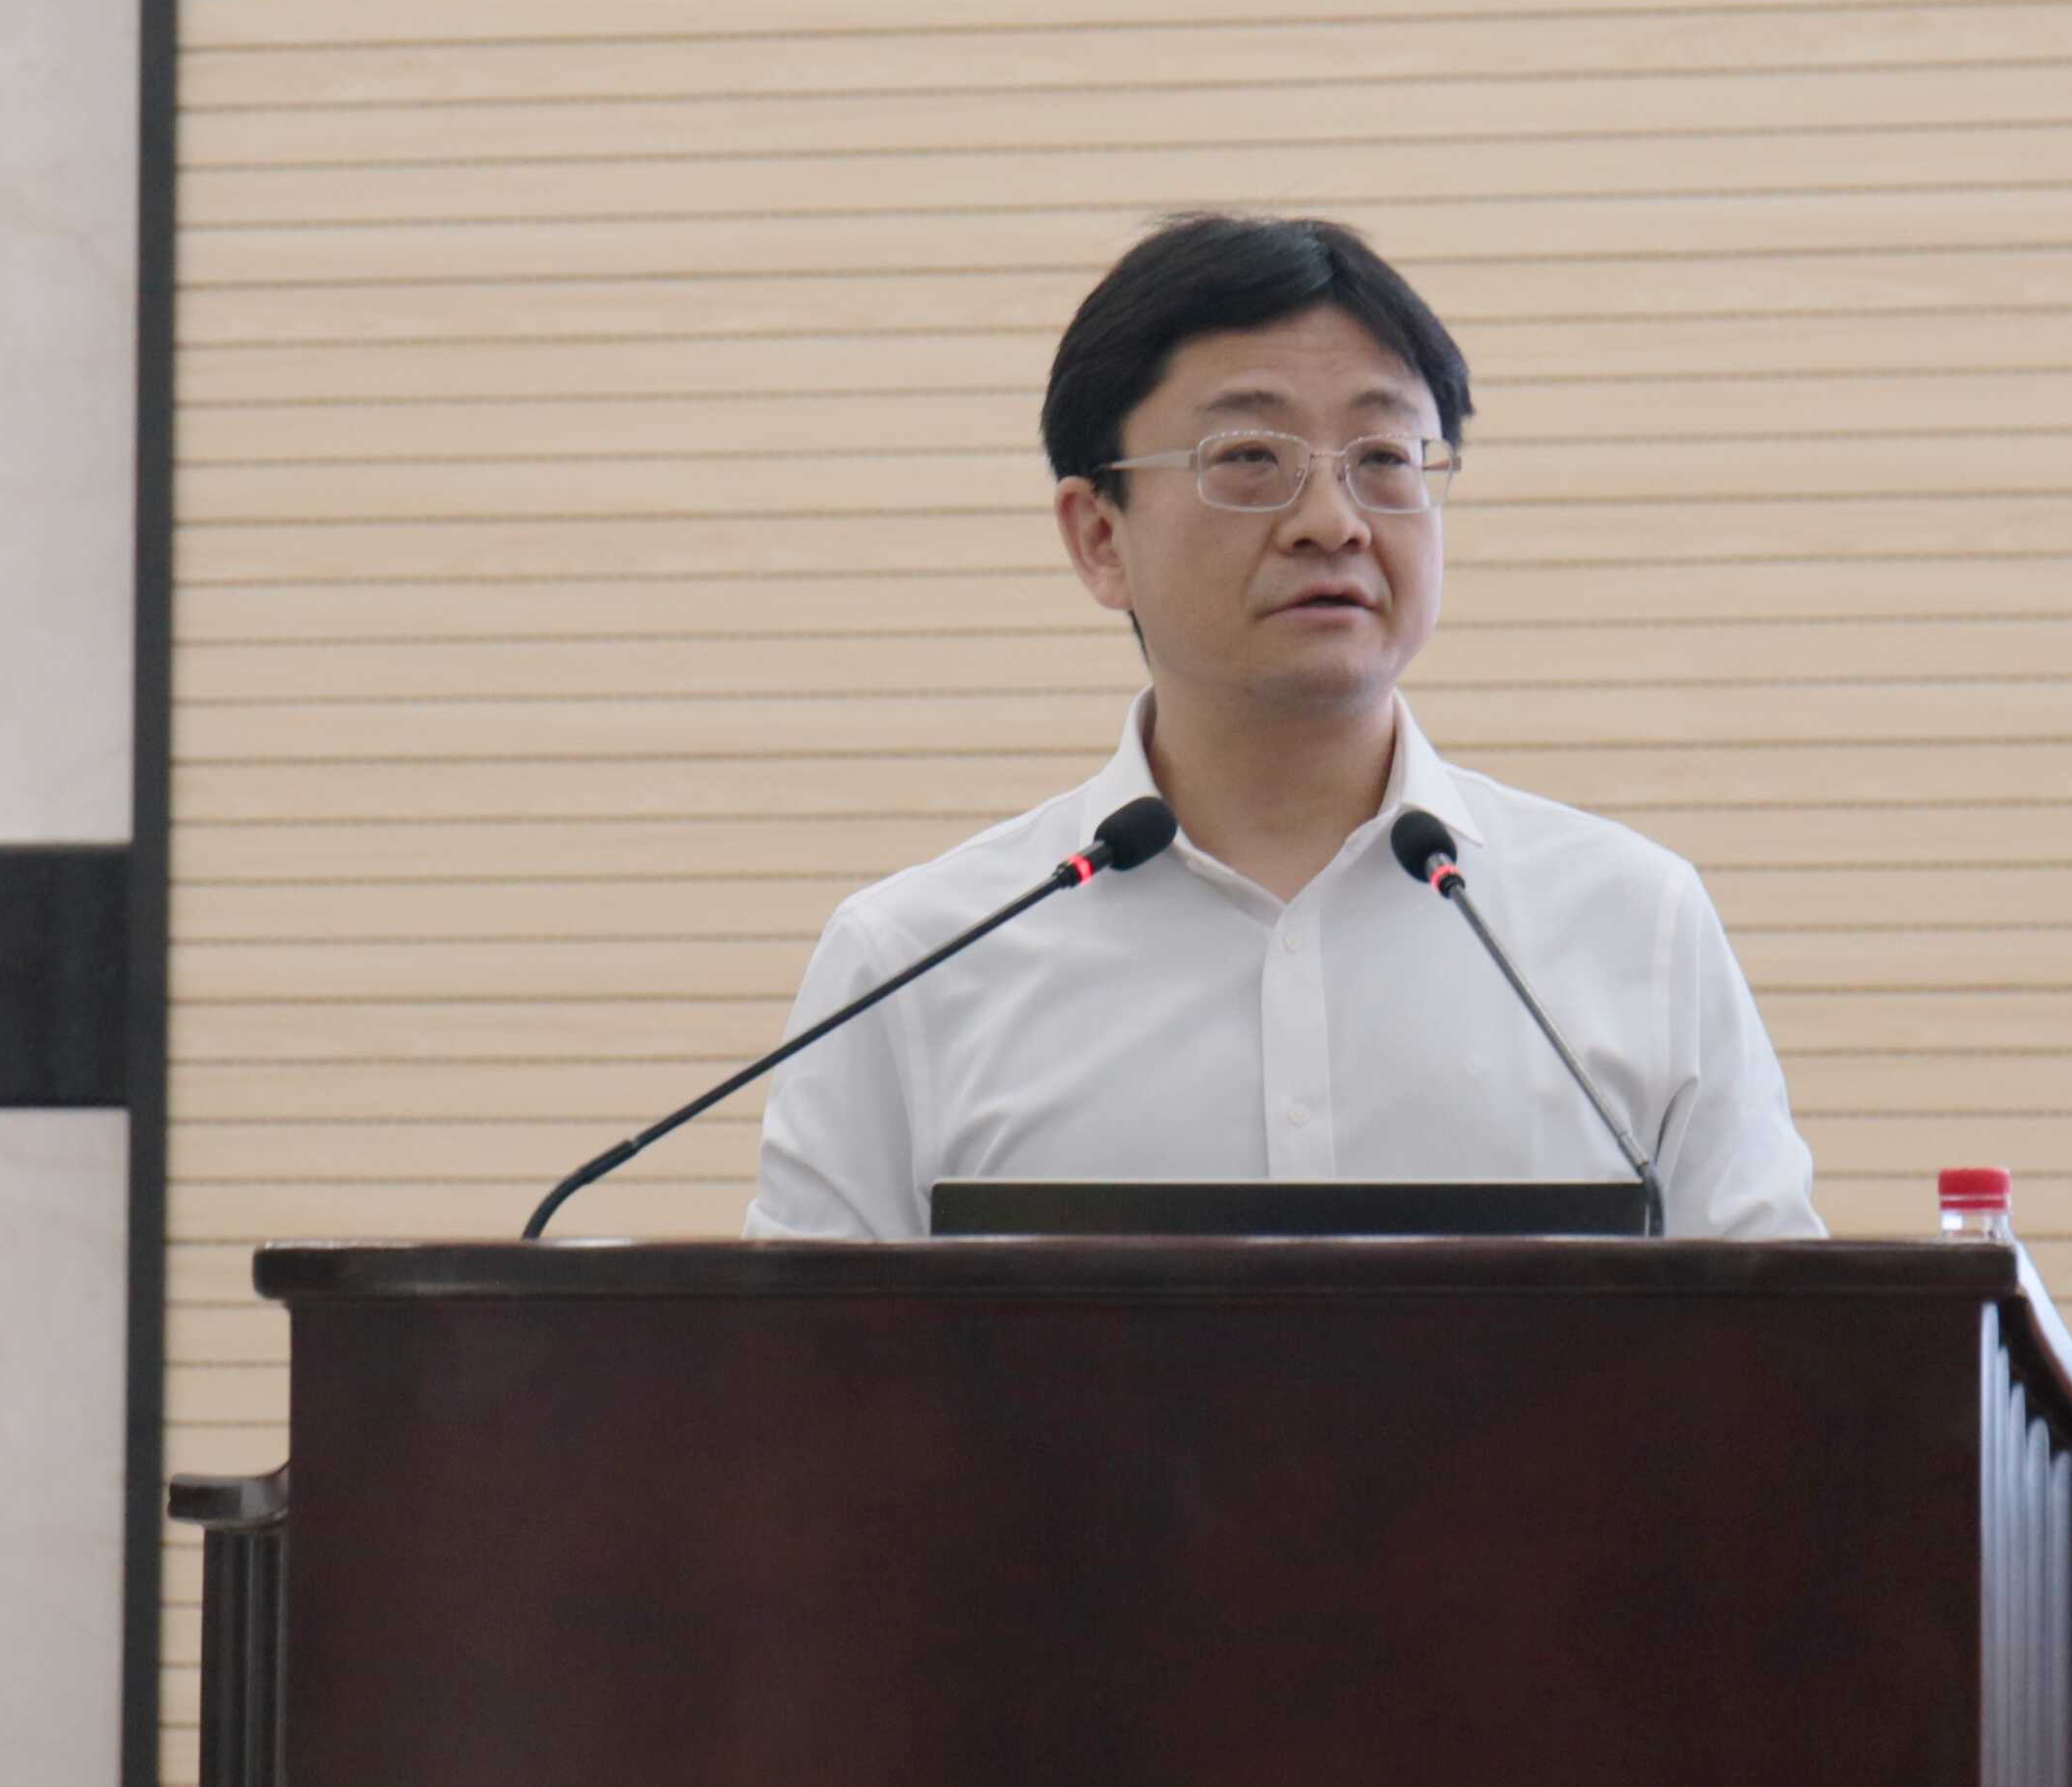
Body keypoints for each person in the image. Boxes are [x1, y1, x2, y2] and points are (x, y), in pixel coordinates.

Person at [747, 214, 1821, 1239]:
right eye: (1251, 459)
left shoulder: (1633, 924)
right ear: (1099, 537)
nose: (1332, 523)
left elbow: (1779, 1343)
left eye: (1385, 458)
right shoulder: (915, 963)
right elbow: (798, 1361)